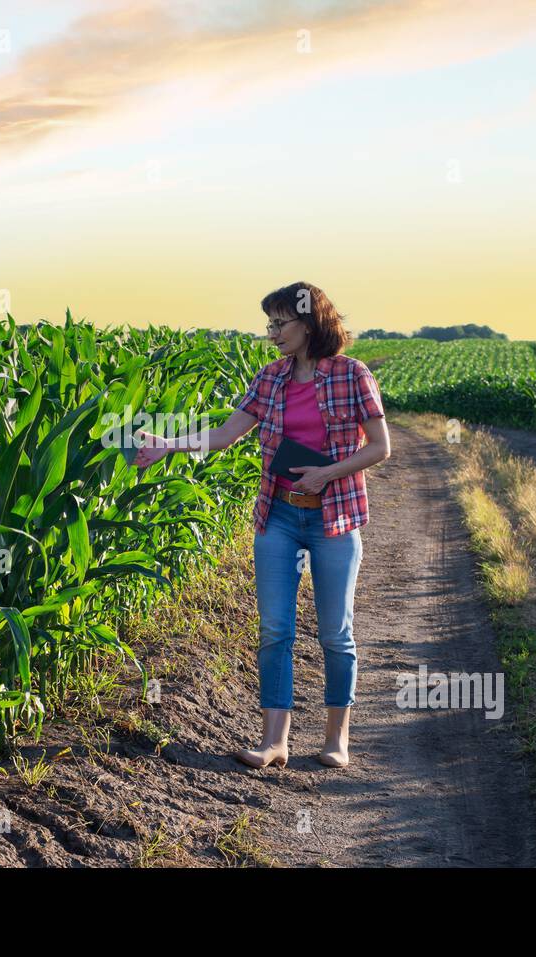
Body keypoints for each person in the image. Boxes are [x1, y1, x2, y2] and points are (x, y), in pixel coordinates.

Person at [133, 281, 390, 769]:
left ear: (311, 323)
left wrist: (327, 472)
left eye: (280, 323)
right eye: (269, 324)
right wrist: (168, 444)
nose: (272, 333)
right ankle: (275, 742)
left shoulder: (352, 375)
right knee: (275, 628)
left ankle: (337, 740)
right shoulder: (270, 378)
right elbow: (227, 435)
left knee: (336, 632)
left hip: (334, 518)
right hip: (279, 516)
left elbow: (380, 447)